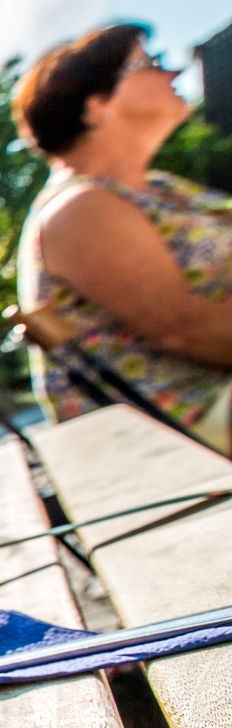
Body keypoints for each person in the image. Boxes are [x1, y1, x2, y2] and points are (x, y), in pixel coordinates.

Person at [15, 23, 232, 452]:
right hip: (183, 431)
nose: (171, 75)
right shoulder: (79, 210)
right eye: (150, 64)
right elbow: (188, 331)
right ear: (96, 106)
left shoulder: (159, 187)